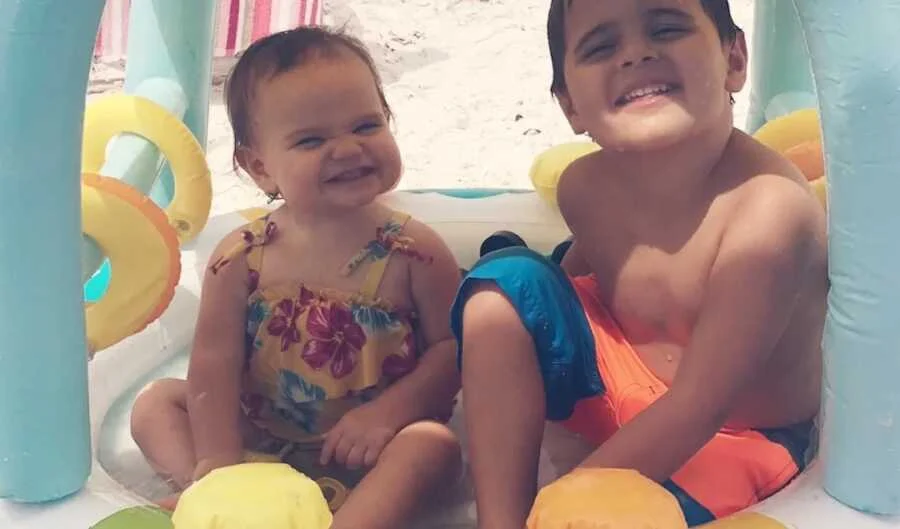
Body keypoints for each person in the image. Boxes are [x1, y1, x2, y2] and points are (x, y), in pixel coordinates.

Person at [452, 0, 827, 527]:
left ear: (734, 60)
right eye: (601, 47)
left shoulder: (768, 213)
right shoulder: (585, 187)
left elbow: (701, 405)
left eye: (666, 28)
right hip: (623, 377)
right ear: (570, 105)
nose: (635, 54)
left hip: (731, 436)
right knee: (504, 286)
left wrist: (568, 503)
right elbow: (566, 295)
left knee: (612, 516)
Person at [130, 26, 463, 529]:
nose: (347, 149)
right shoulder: (241, 257)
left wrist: (390, 413)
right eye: (312, 139)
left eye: (367, 125)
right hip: (262, 446)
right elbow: (214, 364)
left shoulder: (414, 252)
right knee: (156, 405)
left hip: (371, 452)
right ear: (260, 167)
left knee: (433, 446)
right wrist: (220, 463)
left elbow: (454, 350)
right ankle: (214, 499)